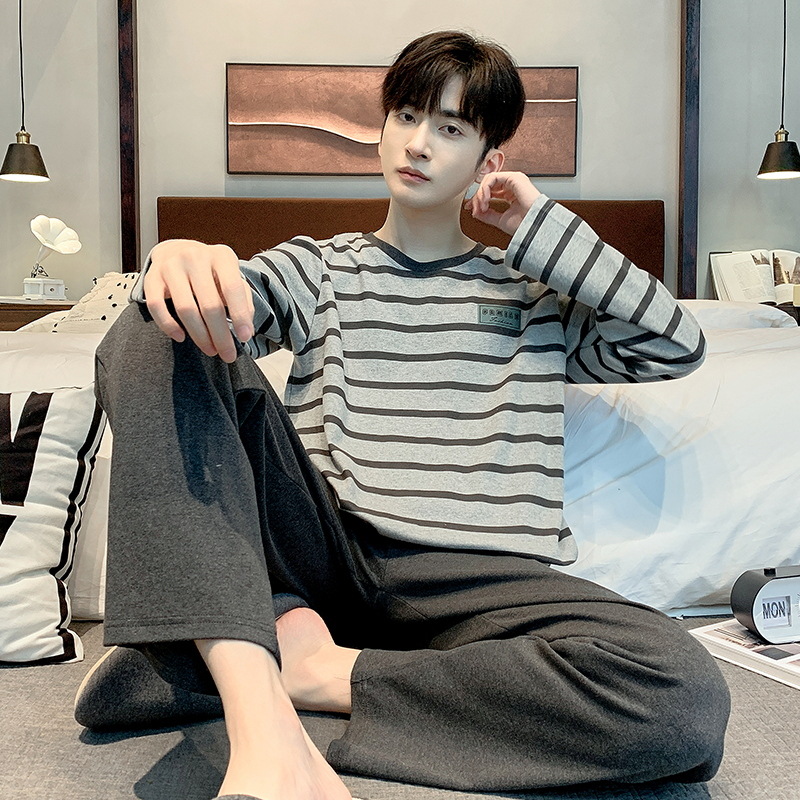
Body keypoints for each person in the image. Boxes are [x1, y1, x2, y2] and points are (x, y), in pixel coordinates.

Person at [78, 30, 730, 800]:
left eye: (451, 128)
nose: (419, 143)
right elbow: (213, 311)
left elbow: (675, 344)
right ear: (384, 127)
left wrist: (536, 224)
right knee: (155, 326)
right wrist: (176, 261)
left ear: (489, 161)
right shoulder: (319, 268)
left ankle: (304, 669)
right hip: (326, 547)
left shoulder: (537, 297)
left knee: (682, 694)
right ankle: (260, 714)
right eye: (408, 117)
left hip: (479, 579)